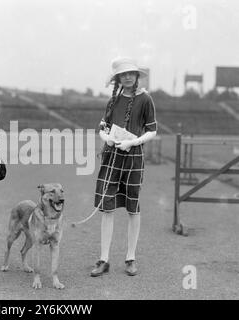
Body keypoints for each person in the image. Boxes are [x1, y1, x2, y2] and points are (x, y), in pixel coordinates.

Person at [91, 57, 157, 277]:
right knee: (107, 208)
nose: (127, 77)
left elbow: (152, 130)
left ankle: (130, 258)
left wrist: (133, 142)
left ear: (136, 76)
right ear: (118, 78)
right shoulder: (113, 101)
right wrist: (106, 138)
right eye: (123, 74)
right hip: (111, 157)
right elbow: (102, 127)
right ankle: (104, 259)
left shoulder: (145, 99)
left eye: (131, 73)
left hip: (133, 157)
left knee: (132, 207)